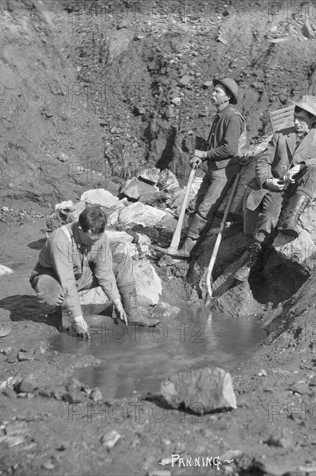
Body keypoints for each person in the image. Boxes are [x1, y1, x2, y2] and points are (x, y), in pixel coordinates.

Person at [235, 96, 316, 281]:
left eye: (302, 119)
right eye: (295, 117)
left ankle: (287, 223)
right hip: (276, 187)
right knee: (270, 217)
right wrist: (267, 181)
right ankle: (251, 262)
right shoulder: (281, 134)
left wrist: (303, 165)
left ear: (313, 121)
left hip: (298, 190)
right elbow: (263, 161)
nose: (296, 122)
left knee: (311, 171)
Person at [30, 206, 158, 338]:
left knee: (122, 261)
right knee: (53, 294)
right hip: (53, 276)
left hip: (80, 273)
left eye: (99, 238)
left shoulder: (100, 237)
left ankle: (132, 314)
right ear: (80, 229)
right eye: (92, 239)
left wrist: (117, 302)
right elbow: (67, 282)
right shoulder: (61, 241)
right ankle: (58, 315)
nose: (95, 242)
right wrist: (79, 318)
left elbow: (105, 272)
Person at [177, 77, 246, 258]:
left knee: (205, 209)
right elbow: (215, 144)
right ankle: (182, 241)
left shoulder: (232, 117)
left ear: (228, 97)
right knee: (195, 205)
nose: (213, 94)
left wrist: (205, 155)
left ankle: (187, 251)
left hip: (224, 171)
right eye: (213, 90)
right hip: (213, 168)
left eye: (218, 92)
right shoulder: (219, 116)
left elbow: (230, 148)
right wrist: (203, 158)